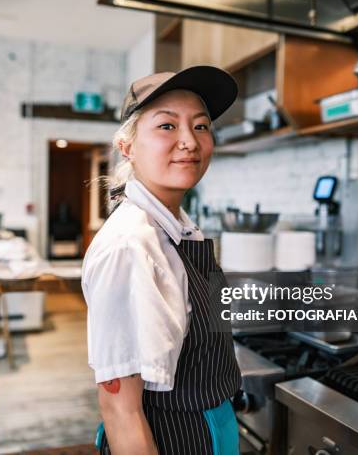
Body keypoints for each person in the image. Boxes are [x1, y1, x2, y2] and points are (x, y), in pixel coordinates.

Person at [81, 65, 242, 455]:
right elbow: (119, 408)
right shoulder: (130, 246)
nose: (189, 141)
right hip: (171, 439)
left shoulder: (177, 229)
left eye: (201, 126)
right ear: (128, 146)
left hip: (211, 429)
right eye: (167, 126)